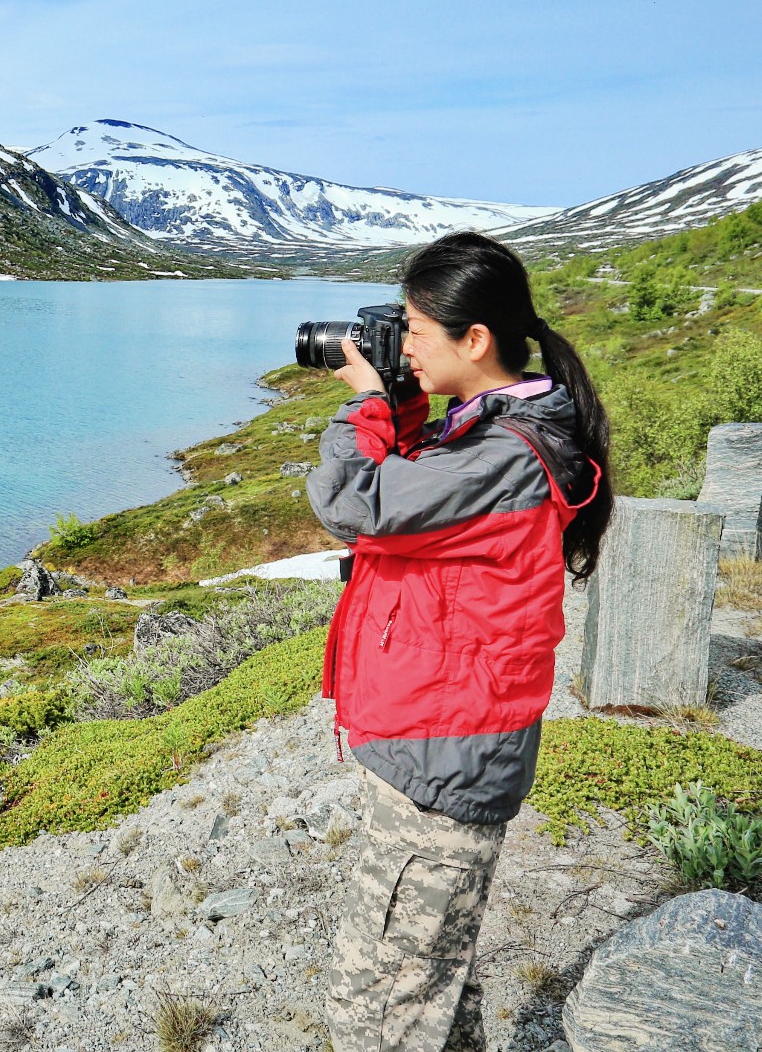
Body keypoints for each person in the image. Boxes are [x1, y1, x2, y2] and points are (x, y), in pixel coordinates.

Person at [306, 231, 612, 1052]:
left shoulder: (502, 453)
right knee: (431, 989)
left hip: (445, 761)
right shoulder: (494, 428)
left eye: (413, 330)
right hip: (441, 742)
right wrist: (404, 402)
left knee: (377, 1014)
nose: (401, 347)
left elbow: (352, 500)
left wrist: (367, 401)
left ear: (474, 339)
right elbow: (415, 507)